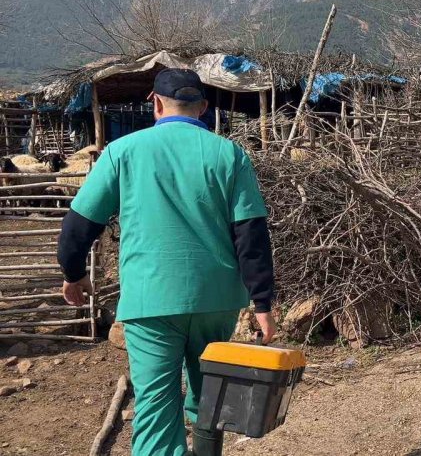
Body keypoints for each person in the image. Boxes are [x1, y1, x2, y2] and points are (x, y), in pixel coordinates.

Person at [57, 68, 277, 456]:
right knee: (210, 396)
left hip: (151, 300)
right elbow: (251, 234)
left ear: (155, 103)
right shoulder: (229, 154)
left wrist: (73, 274)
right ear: (203, 108)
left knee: (156, 408)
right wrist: (262, 303)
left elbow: (79, 225)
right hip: (216, 299)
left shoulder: (123, 152)